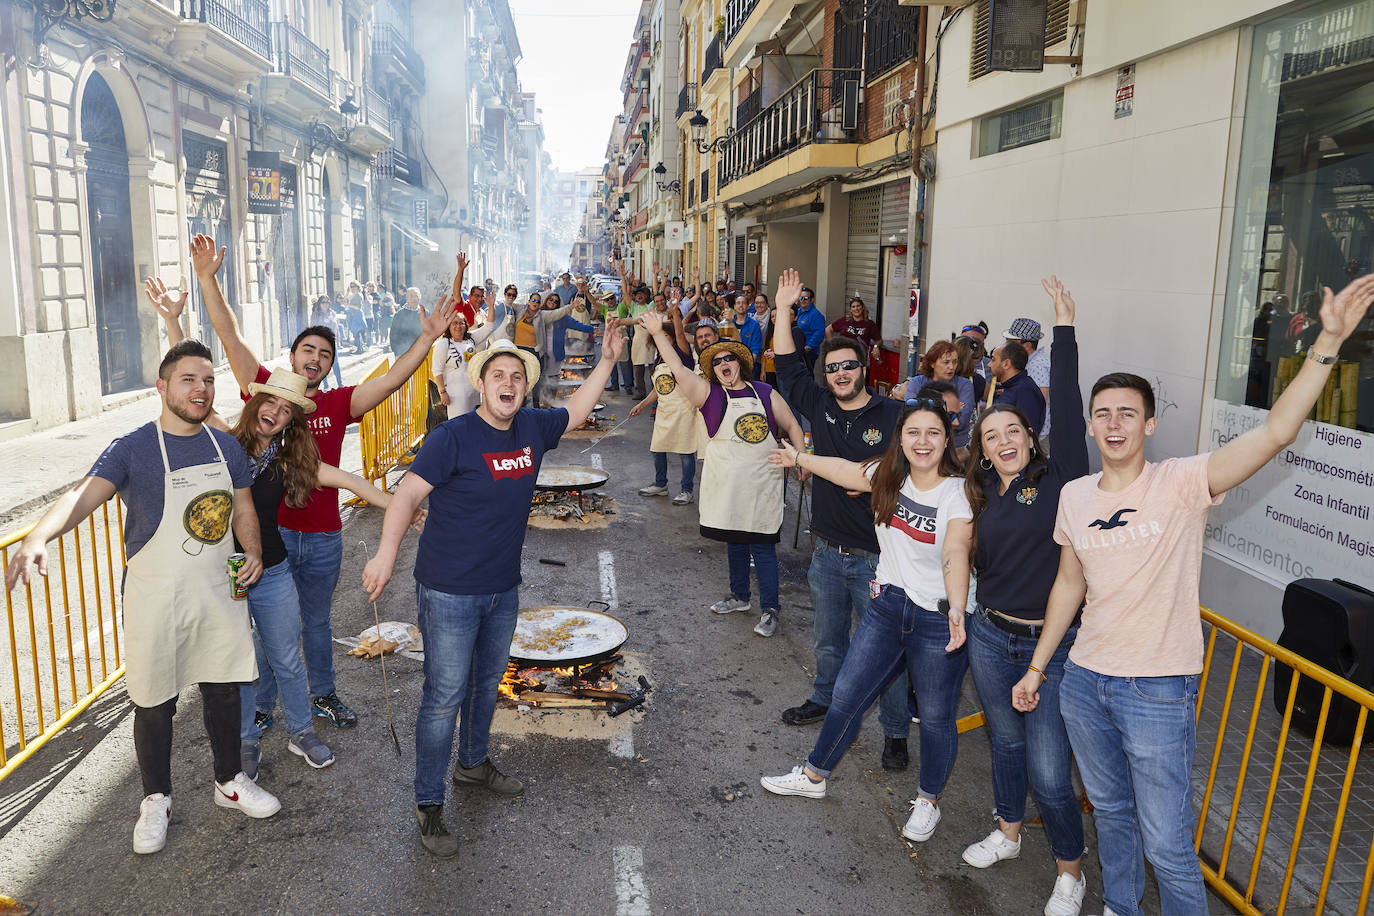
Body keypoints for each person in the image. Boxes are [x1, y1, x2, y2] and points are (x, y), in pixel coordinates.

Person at [1011, 275, 1374, 916]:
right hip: (1084, 680)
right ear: (1090, 426)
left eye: (1128, 412)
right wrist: (1040, 667)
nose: (1114, 423)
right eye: (1103, 414)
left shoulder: (1182, 483)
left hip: (1157, 687)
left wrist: (1327, 343)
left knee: (1171, 846)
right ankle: (1121, 907)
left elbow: (1276, 434)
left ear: (1149, 423)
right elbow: (1069, 584)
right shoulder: (1074, 496)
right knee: (1114, 818)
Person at [4, 339, 280, 855]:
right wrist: (39, 537)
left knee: (224, 691)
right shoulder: (133, 448)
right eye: (188, 380)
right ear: (162, 387)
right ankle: (156, 798)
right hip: (156, 596)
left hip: (219, 590)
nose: (200, 390)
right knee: (155, 701)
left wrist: (255, 553)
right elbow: (80, 495)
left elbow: (243, 507)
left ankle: (229, 781)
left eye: (207, 380)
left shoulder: (226, 447)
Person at [361, 331, 628, 858]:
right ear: (480, 384)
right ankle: (429, 804)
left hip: (502, 589)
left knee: (487, 686)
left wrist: (610, 360)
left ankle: (473, 765)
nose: (508, 384)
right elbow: (408, 493)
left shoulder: (531, 427)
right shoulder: (453, 437)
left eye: (517, 378)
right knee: (443, 698)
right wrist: (386, 555)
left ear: (526, 390)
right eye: (498, 376)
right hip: (449, 590)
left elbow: (576, 410)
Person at [183, 234, 455, 731]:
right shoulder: (265, 393)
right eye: (307, 349)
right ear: (292, 358)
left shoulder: (337, 404)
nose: (315, 358)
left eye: (324, 354)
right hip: (272, 535)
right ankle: (264, 706)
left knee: (316, 624)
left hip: (326, 536)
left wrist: (429, 337)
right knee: (266, 628)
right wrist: (207, 279)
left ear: (330, 366)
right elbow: (230, 337)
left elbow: (394, 380)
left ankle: (323, 696)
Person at [759, 396, 972, 849]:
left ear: (946, 439)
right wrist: (797, 456)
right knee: (847, 695)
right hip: (890, 605)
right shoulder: (887, 476)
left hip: (938, 617)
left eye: (933, 432)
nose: (923, 441)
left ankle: (928, 799)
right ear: (901, 438)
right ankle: (815, 774)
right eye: (913, 432)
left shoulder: (956, 493)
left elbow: (955, 550)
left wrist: (957, 604)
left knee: (935, 719)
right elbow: (839, 468)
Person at [960, 277, 1089, 916]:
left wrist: (1062, 329)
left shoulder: (1061, 477)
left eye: (1012, 431)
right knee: (1005, 746)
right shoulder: (980, 493)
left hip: (1054, 644)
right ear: (981, 449)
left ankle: (1070, 872)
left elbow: (1065, 403)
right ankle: (1009, 833)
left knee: (1049, 771)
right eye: (991, 436)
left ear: (1029, 436)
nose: (1004, 441)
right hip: (991, 635)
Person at [769, 270, 913, 770]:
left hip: (881, 561)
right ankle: (825, 701)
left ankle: (895, 733)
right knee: (829, 640)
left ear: (863, 370)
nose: (841, 374)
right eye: (833, 368)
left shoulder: (894, 417)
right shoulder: (820, 404)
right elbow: (786, 367)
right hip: (827, 552)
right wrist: (784, 309)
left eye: (849, 366)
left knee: (887, 657)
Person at [640, 309, 806, 639]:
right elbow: (676, 367)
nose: (723, 364)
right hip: (728, 487)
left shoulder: (765, 392)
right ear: (712, 369)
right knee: (734, 543)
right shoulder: (710, 395)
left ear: (740, 364)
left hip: (763, 486)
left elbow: (791, 425)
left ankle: (771, 608)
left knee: (762, 547)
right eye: (716, 362)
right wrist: (659, 333)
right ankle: (740, 596)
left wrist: (801, 460)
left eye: (729, 359)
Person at [630, 306, 710, 506]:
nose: (662, 338)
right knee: (657, 449)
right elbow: (660, 388)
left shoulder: (682, 355)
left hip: (684, 411)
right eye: (659, 336)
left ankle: (687, 490)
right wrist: (642, 404)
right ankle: (660, 484)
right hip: (664, 412)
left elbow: (681, 334)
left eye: (666, 335)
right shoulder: (658, 359)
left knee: (685, 452)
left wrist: (675, 313)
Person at [894, 341, 976, 449]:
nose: (951, 367)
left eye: (955, 362)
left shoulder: (965, 385)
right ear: (932, 363)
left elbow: (961, 421)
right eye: (946, 362)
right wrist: (949, 410)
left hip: (955, 446)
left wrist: (927, 406)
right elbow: (912, 414)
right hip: (922, 444)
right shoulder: (917, 382)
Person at [433, 299, 504, 418]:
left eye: (461, 323)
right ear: (448, 327)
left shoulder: (471, 339)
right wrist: (442, 392)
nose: (458, 326)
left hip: (473, 392)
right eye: (454, 323)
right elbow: (437, 370)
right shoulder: (444, 344)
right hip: (455, 395)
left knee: (474, 422)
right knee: (458, 425)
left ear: (466, 326)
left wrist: (491, 307)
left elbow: (489, 327)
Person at [1005, 318, 1050, 440]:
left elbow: (1041, 398)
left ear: (1027, 345)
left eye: (1011, 341)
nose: (1007, 345)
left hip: (1039, 435)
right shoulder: (1035, 361)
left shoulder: (1037, 365)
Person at [989, 341, 1046, 435]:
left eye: (993, 359)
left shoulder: (1024, 391)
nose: (989, 364)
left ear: (1006, 364)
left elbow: (1027, 432)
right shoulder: (1014, 387)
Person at [795, 286, 827, 368]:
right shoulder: (798, 311)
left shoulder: (816, 315)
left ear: (812, 299)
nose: (802, 300)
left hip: (808, 353)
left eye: (806, 298)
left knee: (806, 375)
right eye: (801, 297)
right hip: (796, 350)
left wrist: (808, 347)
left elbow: (819, 333)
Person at [390, 288, 425, 357]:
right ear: (407, 298)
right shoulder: (399, 314)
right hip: (403, 353)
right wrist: (397, 353)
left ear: (420, 297)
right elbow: (393, 335)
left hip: (421, 353)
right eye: (411, 296)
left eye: (416, 296)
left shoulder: (425, 312)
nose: (414, 298)